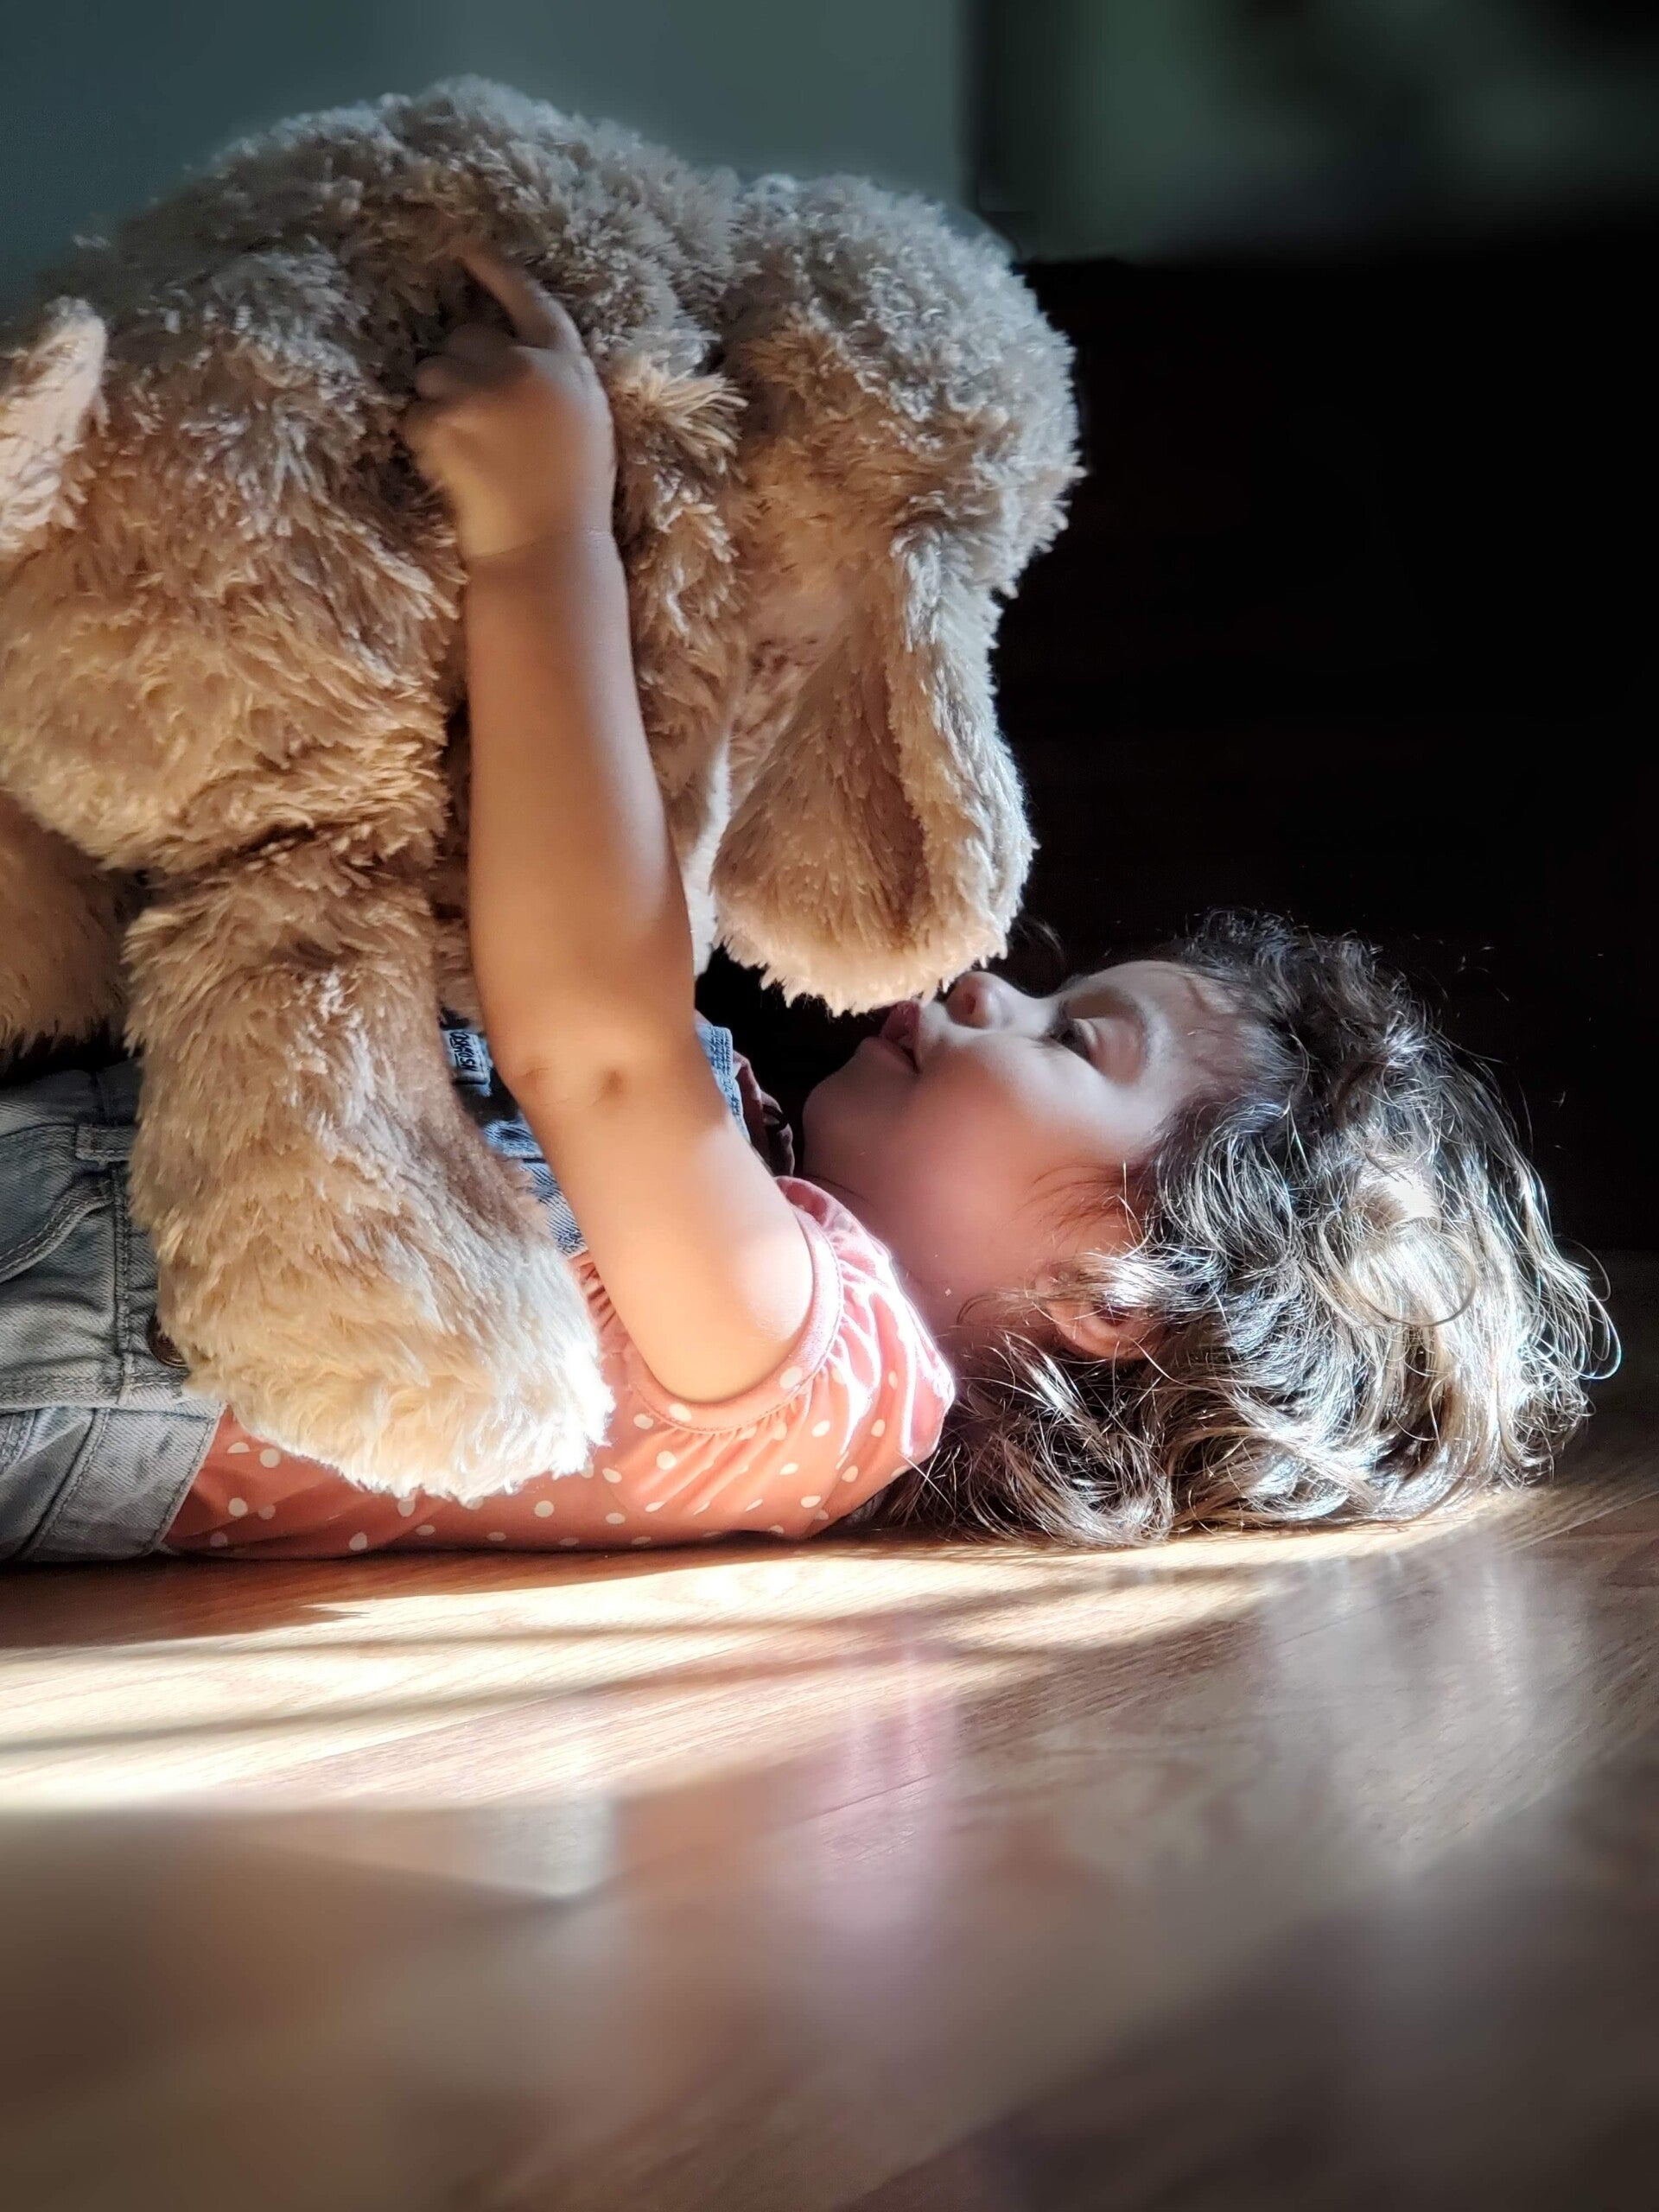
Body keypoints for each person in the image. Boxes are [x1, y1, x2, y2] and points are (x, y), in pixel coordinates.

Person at [0, 251, 1610, 1563]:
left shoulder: (836, 1384)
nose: (987, 984)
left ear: (1110, 1307)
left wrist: (546, 538)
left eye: (1076, 1039)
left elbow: (597, 1042)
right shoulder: (764, 1174)